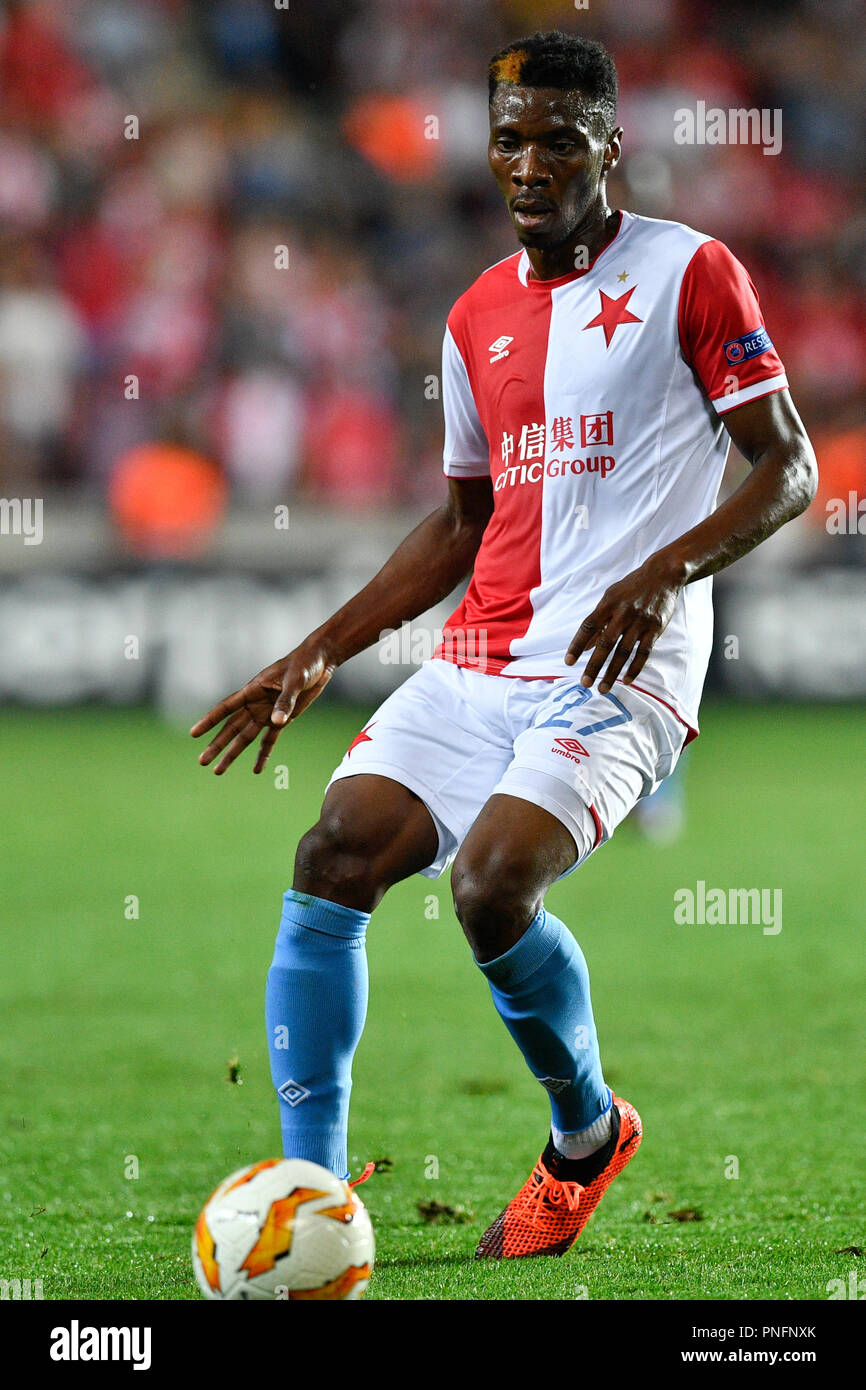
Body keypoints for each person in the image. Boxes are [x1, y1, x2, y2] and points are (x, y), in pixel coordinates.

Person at [192, 30, 817, 1260]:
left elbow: (786, 466)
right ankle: (312, 1194)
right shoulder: (474, 311)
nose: (529, 164)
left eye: (558, 140)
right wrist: (320, 647)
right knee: (331, 855)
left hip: (617, 663)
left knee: (487, 886)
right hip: (485, 654)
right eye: (508, 140)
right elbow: (462, 522)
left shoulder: (692, 274)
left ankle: (584, 1135)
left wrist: (661, 571)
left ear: (610, 147)